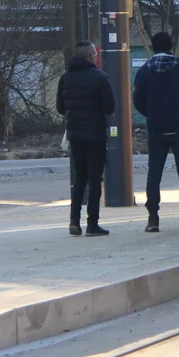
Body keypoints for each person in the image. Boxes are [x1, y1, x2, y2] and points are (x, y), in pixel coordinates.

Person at [133, 32, 179, 233]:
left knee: (154, 174)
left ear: (153, 47)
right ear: (171, 46)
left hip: (157, 129)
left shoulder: (145, 72)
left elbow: (138, 100)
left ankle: (153, 218)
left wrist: (151, 114)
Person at [56, 41, 115, 236]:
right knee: (95, 178)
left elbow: (60, 108)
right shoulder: (100, 77)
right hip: (96, 134)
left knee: (79, 178)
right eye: (95, 54)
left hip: (75, 135)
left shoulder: (65, 78)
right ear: (91, 56)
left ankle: (74, 221)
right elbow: (109, 107)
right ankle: (92, 223)